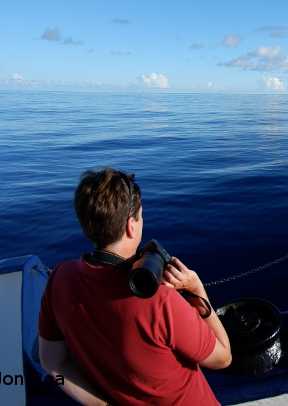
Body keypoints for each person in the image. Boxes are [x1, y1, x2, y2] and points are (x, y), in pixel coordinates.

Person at [38, 168, 231, 405]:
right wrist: (197, 290)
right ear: (131, 225)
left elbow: (53, 363)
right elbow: (222, 359)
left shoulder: (59, 278)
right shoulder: (160, 301)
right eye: (140, 216)